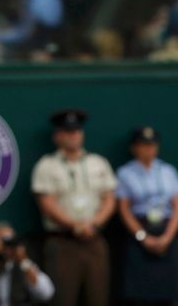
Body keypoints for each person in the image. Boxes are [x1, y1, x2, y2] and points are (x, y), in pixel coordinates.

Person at [31, 109, 117, 306]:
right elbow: (47, 204)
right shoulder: (47, 165)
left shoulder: (98, 162)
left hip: (94, 239)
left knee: (98, 297)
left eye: (77, 131)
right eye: (68, 131)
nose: (73, 135)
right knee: (63, 298)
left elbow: (110, 199)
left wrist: (94, 224)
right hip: (63, 242)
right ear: (57, 136)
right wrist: (76, 225)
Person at [116, 126, 178, 306]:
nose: (149, 149)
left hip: (165, 231)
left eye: (152, 145)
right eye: (143, 145)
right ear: (134, 148)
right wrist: (143, 237)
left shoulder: (167, 170)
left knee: (165, 294)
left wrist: (168, 237)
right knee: (138, 295)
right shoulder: (125, 173)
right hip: (139, 233)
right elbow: (124, 209)